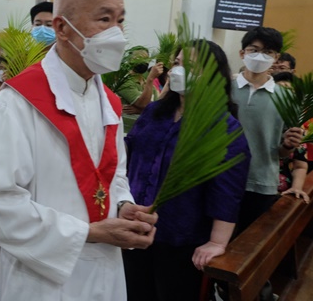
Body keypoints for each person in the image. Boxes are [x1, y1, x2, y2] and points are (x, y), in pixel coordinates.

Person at [0, 0, 157, 300]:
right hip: (43, 274)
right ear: (62, 28)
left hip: (105, 265)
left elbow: (113, 174)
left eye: (119, 21)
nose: (116, 33)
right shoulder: (17, 103)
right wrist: (86, 232)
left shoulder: (110, 103)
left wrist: (123, 206)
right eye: (104, 19)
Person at [123, 40, 251, 301]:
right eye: (178, 64)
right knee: (134, 292)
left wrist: (217, 242)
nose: (177, 71)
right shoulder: (155, 111)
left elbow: (228, 189)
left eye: (190, 66)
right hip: (135, 226)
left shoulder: (222, 127)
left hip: (180, 234)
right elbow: (130, 152)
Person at [232, 27, 304, 234]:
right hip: (221, 178)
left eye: (268, 52)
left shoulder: (287, 98)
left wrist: (288, 145)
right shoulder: (224, 89)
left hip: (261, 182)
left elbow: (281, 151)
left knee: (247, 247)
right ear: (242, 53)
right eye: (253, 49)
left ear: (276, 58)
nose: (260, 56)